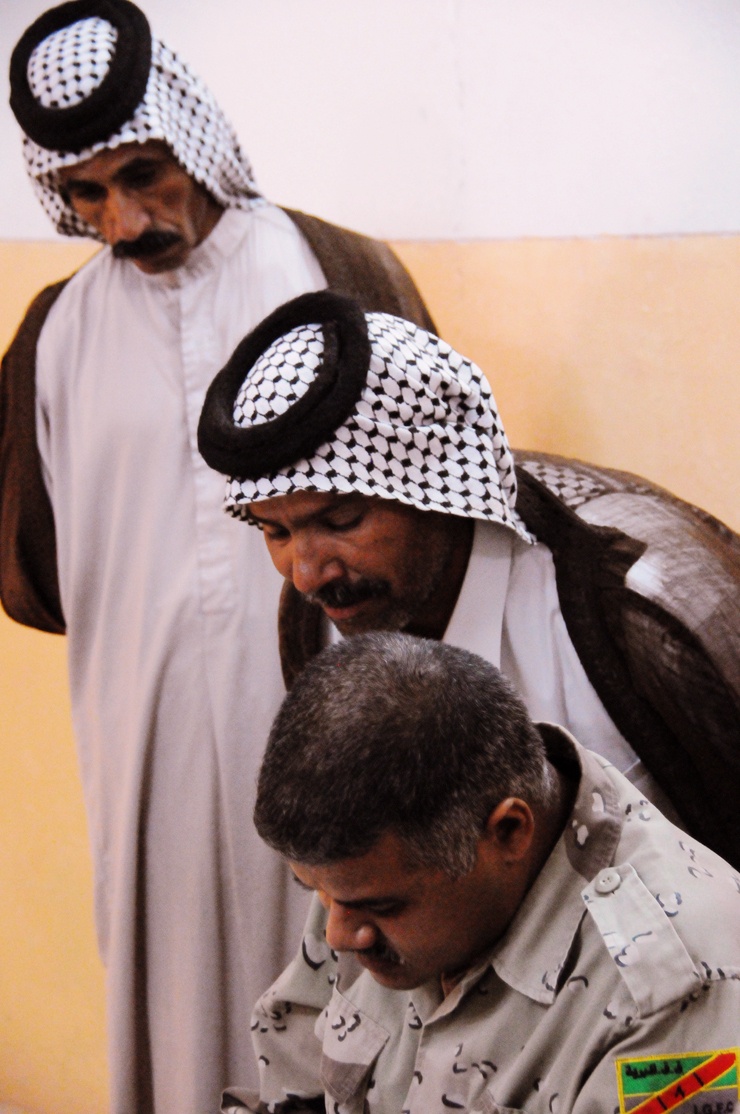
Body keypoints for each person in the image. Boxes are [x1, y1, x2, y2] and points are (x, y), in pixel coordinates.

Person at [0, 4, 434, 1112]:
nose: (122, 219)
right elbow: (33, 567)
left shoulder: (334, 273)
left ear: (192, 139)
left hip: (338, 711)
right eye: (85, 193)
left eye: (143, 174)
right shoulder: (57, 335)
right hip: (140, 742)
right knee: (175, 991)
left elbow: (437, 511)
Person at [198, 290, 740, 868]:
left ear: (439, 490)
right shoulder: (319, 620)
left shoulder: (631, 608)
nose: (306, 574)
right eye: (275, 533)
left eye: (342, 520)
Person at [222, 632, 740, 1114]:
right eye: (320, 894)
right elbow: (291, 1084)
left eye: (381, 907)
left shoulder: (671, 993)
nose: (338, 935)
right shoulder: (371, 871)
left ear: (509, 832)